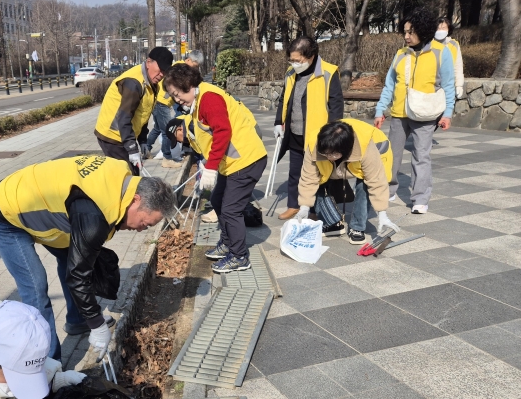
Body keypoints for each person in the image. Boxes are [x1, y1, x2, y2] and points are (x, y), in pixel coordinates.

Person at [0, 155, 175, 361]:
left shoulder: (123, 179)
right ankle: (49, 363)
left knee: (71, 259)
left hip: (39, 202)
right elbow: (78, 276)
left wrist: (91, 317)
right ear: (136, 199)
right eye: (145, 223)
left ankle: (77, 320)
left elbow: (77, 266)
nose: (141, 230)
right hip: (4, 212)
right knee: (35, 285)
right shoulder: (94, 216)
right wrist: (97, 325)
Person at [163, 63, 268, 273]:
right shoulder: (198, 102)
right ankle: (228, 243)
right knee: (218, 201)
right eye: (173, 96)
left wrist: (210, 168)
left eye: (176, 94)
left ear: (187, 84)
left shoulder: (209, 98)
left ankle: (239, 256)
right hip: (232, 163)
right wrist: (209, 165)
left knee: (231, 209)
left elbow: (222, 131)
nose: (177, 100)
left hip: (246, 160)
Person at [374, 7, 455, 214]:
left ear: (424, 30)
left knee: (421, 156)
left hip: (426, 113)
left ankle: (420, 198)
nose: (406, 36)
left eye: (411, 32)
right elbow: (389, 85)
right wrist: (381, 109)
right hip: (399, 113)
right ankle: (389, 189)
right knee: (391, 154)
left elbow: (448, 85)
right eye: (405, 32)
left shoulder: (441, 52)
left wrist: (447, 114)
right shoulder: (401, 54)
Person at [296, 119, 399, 245]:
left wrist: (382, 213)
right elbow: (308, 178)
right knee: (319, 181)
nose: (328, 157)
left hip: (375, 151)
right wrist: (304, 207)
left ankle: (357, 228)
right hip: (338, 155)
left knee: (364, 185)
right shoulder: (314, 144)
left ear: (345, 150)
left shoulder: (366, 145)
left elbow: (376, 181)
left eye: (332, 154)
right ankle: (332, 223)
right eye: (324, 153)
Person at [274, 36, 344, 220]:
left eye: (298, 60)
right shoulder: (291, 73)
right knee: (295, 172)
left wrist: (332, 134)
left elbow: (336, 106)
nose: (294, 64)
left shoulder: (328, 72)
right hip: (295, 132)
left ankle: (314, 210)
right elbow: (283, 99)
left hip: (317, 135)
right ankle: (293, 205)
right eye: (291, 60)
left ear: (311, 56)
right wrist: (278, 122)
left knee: (317, 173)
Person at [94, 47, 174, 174]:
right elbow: (124, 118)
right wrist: (132, 149)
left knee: (132, 173)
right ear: (149, 62)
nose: (161, 75)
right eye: (160, 70)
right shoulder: (134, 83)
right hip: (112, 136)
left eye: (165, 71)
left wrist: (142, 140)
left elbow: (143, 114)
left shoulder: (152, 84)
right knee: (127, 175)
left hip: (124, 134)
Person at [144, 50, 204, 165]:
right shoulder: (180, 69)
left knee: (157, 128)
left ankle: (146, 149)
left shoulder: (180, 67)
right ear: (189, 60)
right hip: (162, 102)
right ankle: (167, 158)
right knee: (168, 131)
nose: (195, 68)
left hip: (160, 101)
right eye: (195, 65)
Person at [436, 17, 464, 99]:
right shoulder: (429, 44)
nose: (441, 30)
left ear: (448, 29)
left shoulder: (454, 44)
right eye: (438, 28)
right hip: (433, 85)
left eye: (443, 28)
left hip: (449, 85)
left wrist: (459, 85)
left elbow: (458, 66)